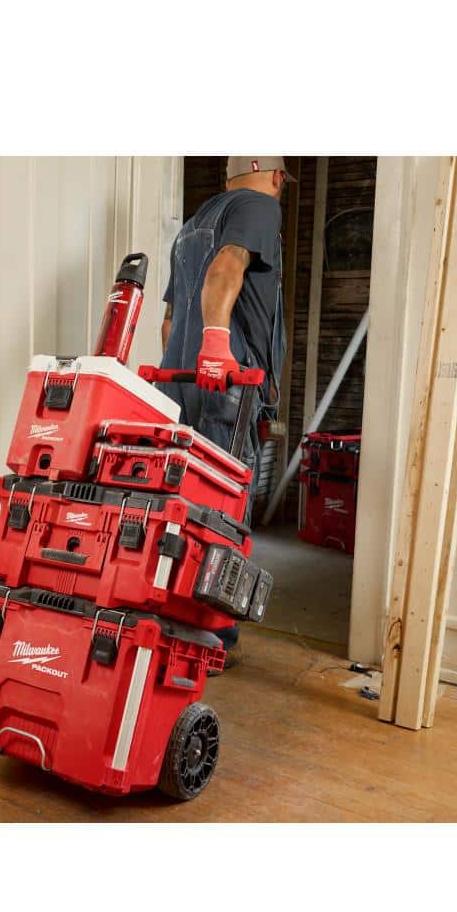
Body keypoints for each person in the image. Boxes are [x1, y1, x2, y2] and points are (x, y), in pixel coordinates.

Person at [159, 156, 294, 650]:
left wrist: (189, 368)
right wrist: (217, 344)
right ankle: (211, 631)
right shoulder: (260, 207)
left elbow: (170, 321)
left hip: (179, 382)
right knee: (223, 506)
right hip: (225, 381)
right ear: (277, 177)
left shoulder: (194, 224)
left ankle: (172, 614)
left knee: (181, 502)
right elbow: (227, 266)